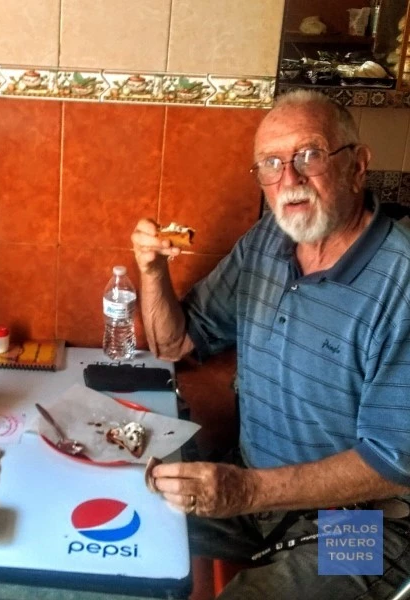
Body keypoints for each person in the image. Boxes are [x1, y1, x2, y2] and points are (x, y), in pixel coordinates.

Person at [131, 89, 410, 599]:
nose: (290, 179)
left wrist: (246, 491)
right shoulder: (266, 241)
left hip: (362, 524)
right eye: (271, 163)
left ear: (357, 166)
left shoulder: (402, 283)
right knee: (124, 523)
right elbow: (175, 344)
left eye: (310, 155)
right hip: (255, 489)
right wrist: (152, 271)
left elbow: (395, 464)